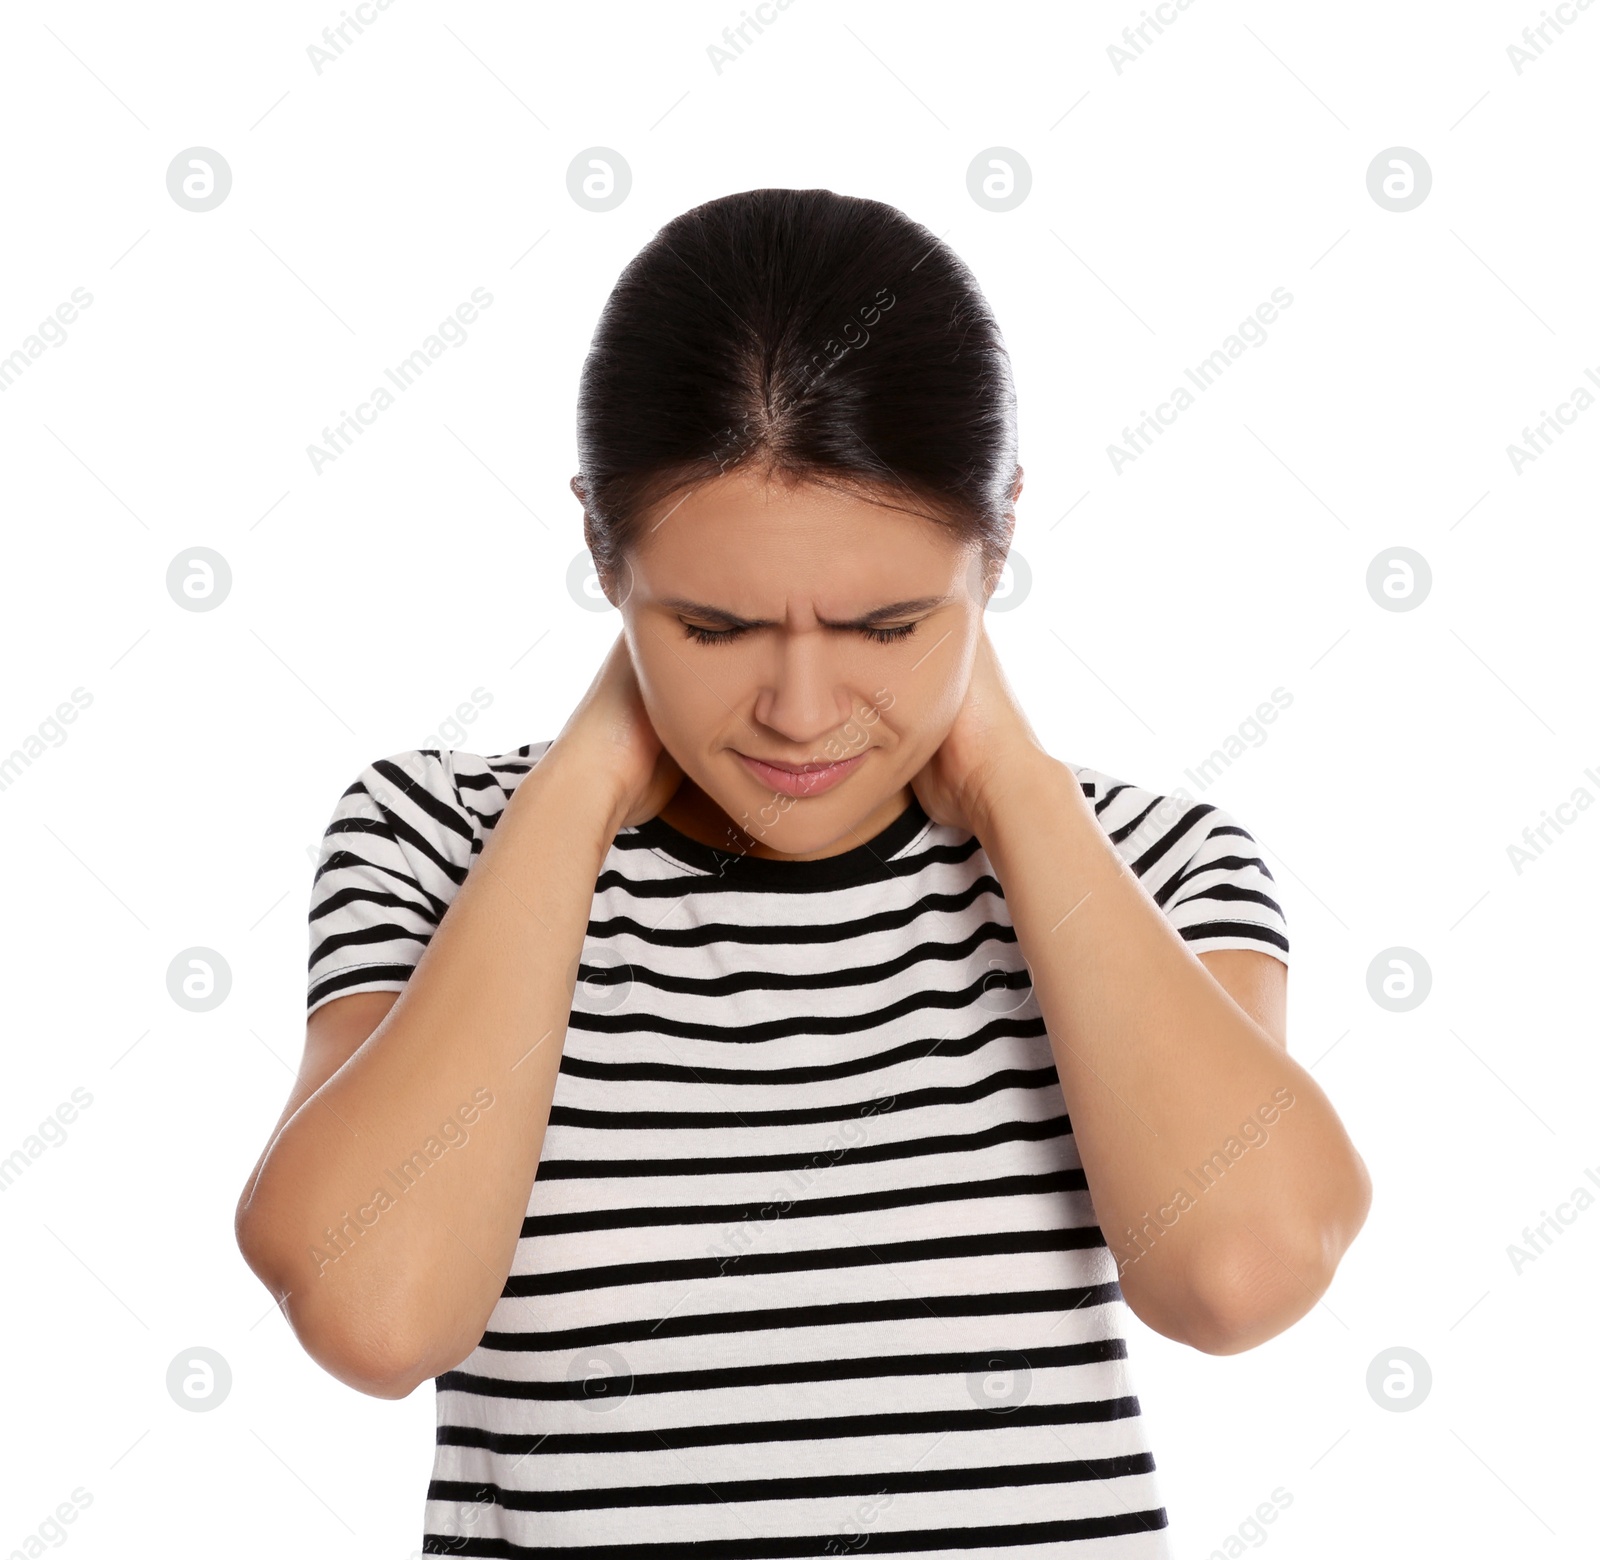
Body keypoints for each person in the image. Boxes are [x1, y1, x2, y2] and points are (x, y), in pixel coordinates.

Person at [235, 187, 1371, 1556]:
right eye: (712, 626)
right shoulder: (434, 836)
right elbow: (376, 1310)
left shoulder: (1154, 865)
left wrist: (1014, 784)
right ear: (602, 547)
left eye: (889, 624)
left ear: (999, 533)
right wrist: (587, 778)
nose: (798, 707)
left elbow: (1237, 1279)